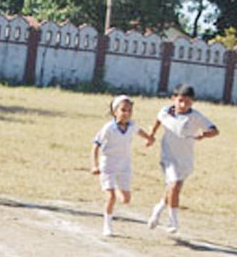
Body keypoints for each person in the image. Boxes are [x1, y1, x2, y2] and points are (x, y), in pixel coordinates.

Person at [146, 83, 219, 233]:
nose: (183, 105)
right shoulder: (165, 112)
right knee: (173, 186)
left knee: (174, 189)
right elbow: (158, 120)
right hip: (168, 157)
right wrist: (151, 135)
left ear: (193, 102)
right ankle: (173, 221)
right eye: (180, 101)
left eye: (188, 102)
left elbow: (215, 130)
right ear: (173, 98)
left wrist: (204, 135)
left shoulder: (195, 117)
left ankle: (158, 209)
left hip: (185, 159)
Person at [90, 95, 154, 236]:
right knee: (111, 196)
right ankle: (107, 225)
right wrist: (95, 165)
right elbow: (96, 145)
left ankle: (116, 188)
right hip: (108, 165)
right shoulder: (108, 128)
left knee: (126, 199)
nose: (127, 113)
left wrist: (149, 138)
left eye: (129, 110)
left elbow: (139, 131)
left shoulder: (132, 125)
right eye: (123, 110)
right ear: (115, 111)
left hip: (124, 165)